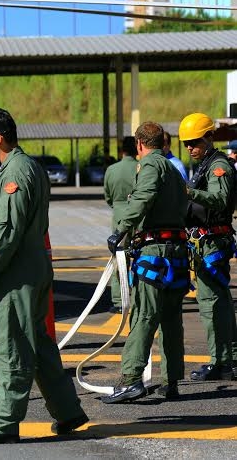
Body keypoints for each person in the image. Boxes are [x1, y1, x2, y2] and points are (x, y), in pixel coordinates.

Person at [0, 107, 88, 445]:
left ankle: (3, 424)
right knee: (41, 345)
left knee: (13, 345)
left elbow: (8, 232)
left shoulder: (13, 174)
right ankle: (67, 411)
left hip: (17, 272)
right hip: (36, 266)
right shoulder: (31, 165)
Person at [103, 121, 189, 404]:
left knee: (144, 316)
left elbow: (142, 198)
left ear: (140, 144)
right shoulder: (174, 170)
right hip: (176, 253)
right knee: (171, 320)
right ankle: (171, 380)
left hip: (156, 253)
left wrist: (121, 230)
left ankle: (130, 380)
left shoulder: (151, 166)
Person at [180, 112, 237, 381]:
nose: (190, 147)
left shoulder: (218, 166)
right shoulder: (205, 164)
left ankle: (220, 362)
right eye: (186, 144)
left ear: (210, 137)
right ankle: (229, 359)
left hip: (213, 243)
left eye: (195, 142)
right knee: (220, 302)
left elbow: (221, 199)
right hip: (208, 242)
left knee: (211, 304)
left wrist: (190, 193)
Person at [103, 136, 138, 313]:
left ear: (121, 150)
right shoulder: (141, 168)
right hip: (139, 217)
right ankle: (137, 298)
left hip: (118, 217)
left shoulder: (112, 170)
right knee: (139, 257)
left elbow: (108, 196)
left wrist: (118, 207)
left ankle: (118, 300)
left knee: (119, 259)